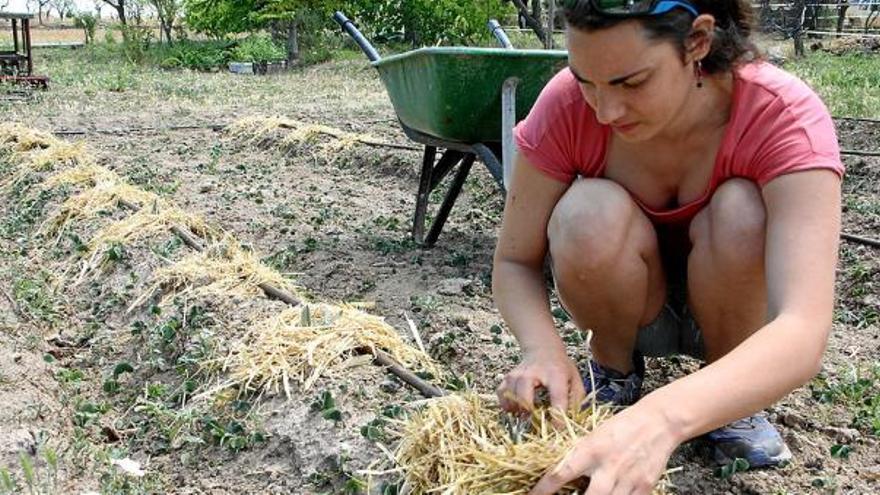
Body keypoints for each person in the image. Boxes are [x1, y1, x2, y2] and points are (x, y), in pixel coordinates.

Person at [491, 0, 844, 493]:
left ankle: (730, 399)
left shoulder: (782, 117)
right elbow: (513, 261)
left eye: (630, 82)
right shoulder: (568, 107)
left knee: (741, 212)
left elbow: (803, 327)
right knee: (587, 211)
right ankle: (613, 372)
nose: (605, 110)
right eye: (585, 80)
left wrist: (661, 420)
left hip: (737, 317)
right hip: (632, 308)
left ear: (697, 42)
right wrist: (543, 350)